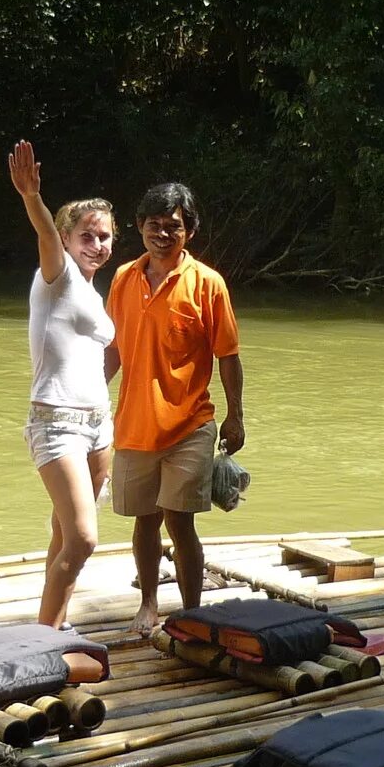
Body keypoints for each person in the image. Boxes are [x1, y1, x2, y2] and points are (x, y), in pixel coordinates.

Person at [105, 181, 245, 636]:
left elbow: (228, 354)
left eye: (174, 226)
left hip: (190, 421)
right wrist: (86, 398)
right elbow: (112, 349)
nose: (163, 234)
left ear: (190, 230)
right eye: (154, 226)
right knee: (144, 521)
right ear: (140, 228)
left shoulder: (208, 284)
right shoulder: (124, 277)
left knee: (179, 522)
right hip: (133, 422)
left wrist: (236, 414)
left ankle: (190, 612)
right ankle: (148, 604)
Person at [9, 140, 117, 628]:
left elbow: (98, 358)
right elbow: (46, 237)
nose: (98, 245)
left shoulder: (95, 296)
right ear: (70, 240)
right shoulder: (59, 277)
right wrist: (33, 198)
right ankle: (43, 640)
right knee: (83, 540)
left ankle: (54, 621)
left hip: (99, 426)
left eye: (106, 237)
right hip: (55, 422)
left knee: (62, 533)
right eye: (88, 236)